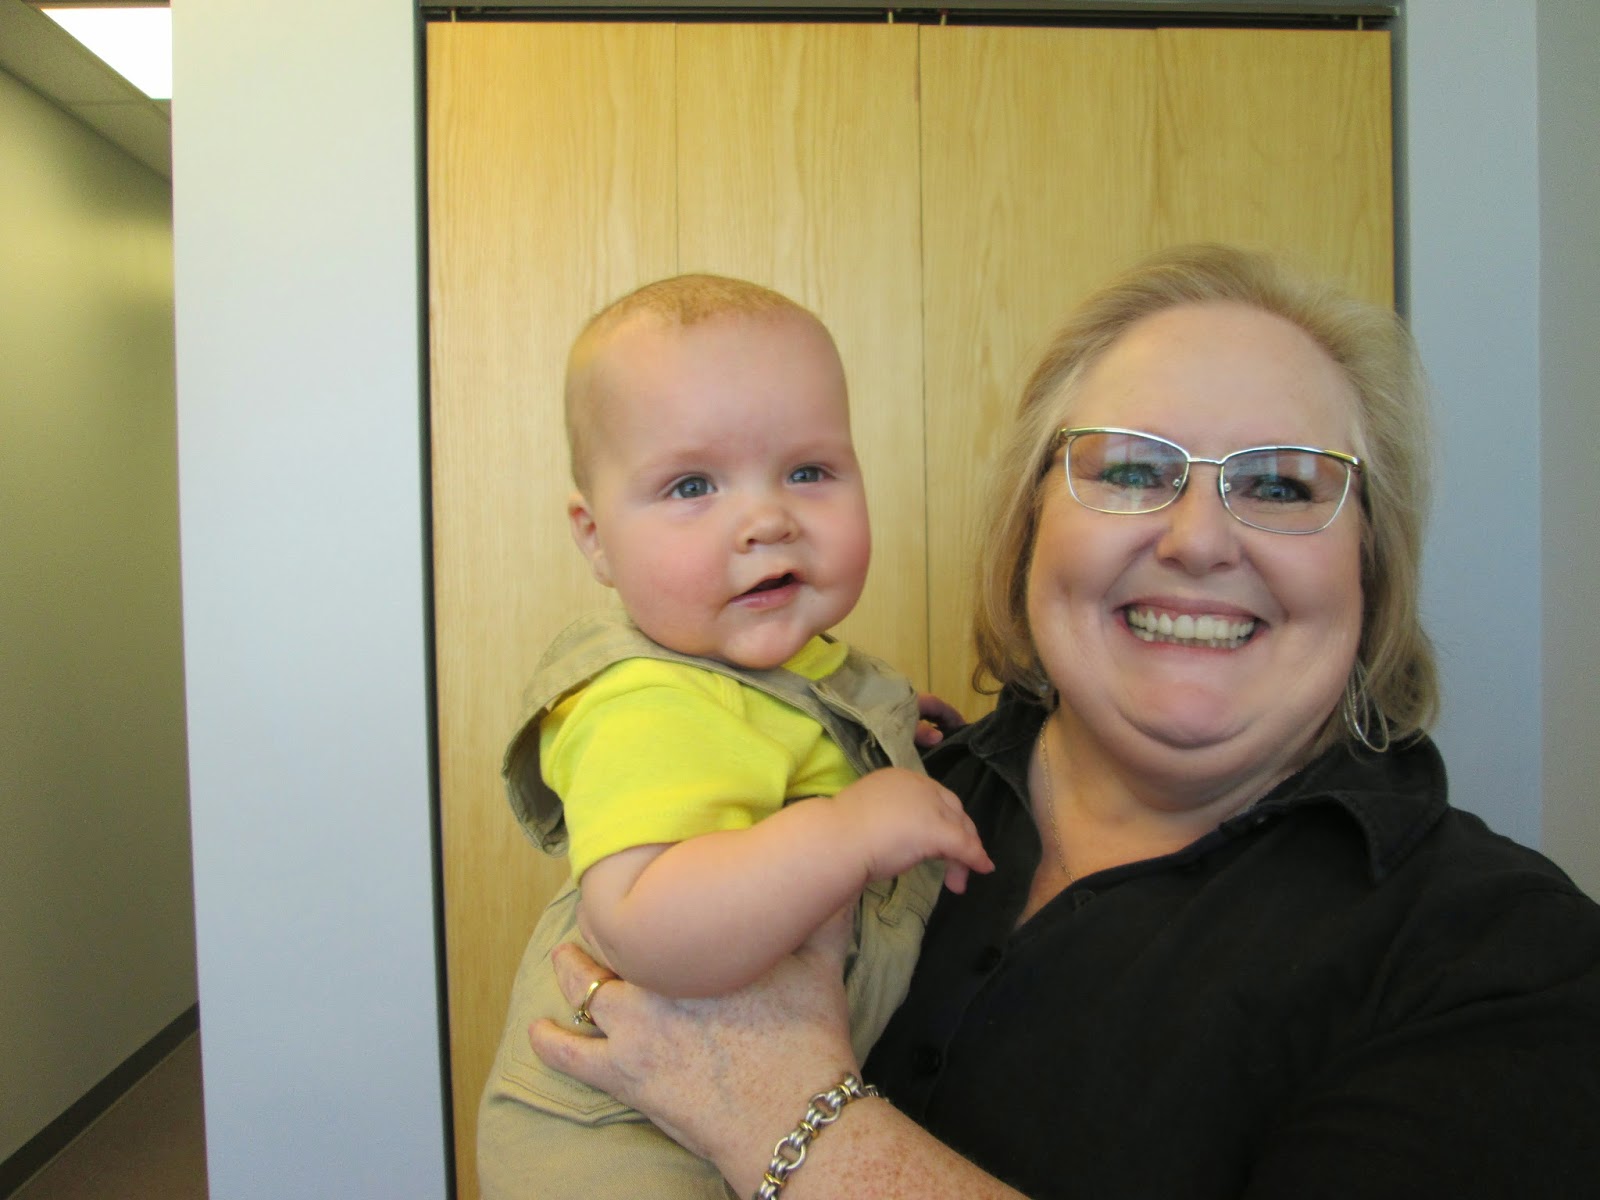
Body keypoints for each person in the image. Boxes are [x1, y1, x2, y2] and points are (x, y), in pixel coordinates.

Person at [526, 244, 1600, 1199]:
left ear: (1370, 560)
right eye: (1130, 469)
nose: (1197, 541)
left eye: (1279, 487)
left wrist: (790, 1117)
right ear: (1029, 522)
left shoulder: (1507, 957)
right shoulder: (861, 780)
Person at [477, 273, 992, 1200]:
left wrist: (875, 735)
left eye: (808, 472)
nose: (767, 519)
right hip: (620, 1149)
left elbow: (771, 738)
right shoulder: (645, 703)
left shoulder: (783, 670)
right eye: (692, 485)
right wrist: (851, 827)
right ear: (595, 538)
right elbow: (649, 927)